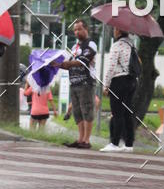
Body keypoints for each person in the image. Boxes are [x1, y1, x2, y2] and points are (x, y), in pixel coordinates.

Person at [59, 19, 97, 149]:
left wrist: (63, 64)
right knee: (77, 111)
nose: (77, 32)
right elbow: (68, 63)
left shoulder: (90, 44)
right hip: (74, 82)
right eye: (75, 30)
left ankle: (86, 140)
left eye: (79, 29)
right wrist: (55, 64)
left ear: (86, 28)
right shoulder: (75, 47)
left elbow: (82, 61)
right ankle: (80, 139)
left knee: (87, 110)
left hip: (86, 82)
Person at [101, 27, 137, 152]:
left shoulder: (117, 45)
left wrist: (106, 85)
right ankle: (129, 144)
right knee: (127, 113)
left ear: (120, 31)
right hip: (132, 82)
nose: (114, 31)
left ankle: (114, 143)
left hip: (119, 81)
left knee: (117, 113)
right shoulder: (132, 45)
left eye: (115, 29)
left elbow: (111, 67)